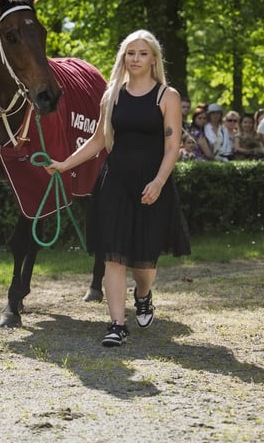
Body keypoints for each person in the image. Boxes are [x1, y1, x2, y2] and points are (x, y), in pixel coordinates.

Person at [46, 30, 189, 347]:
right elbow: (98, 140)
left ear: (153, 58)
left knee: (144, 261)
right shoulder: (112, 95)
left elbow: (172, 146)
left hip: (152, 181)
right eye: (130, 53)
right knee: (114, 256)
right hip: (115, 180)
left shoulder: (167, 96)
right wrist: (64, 165)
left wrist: (159, 182)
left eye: (142, 53)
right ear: (123, 57)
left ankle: (143, 294)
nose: (135, 59)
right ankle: (116, 325)